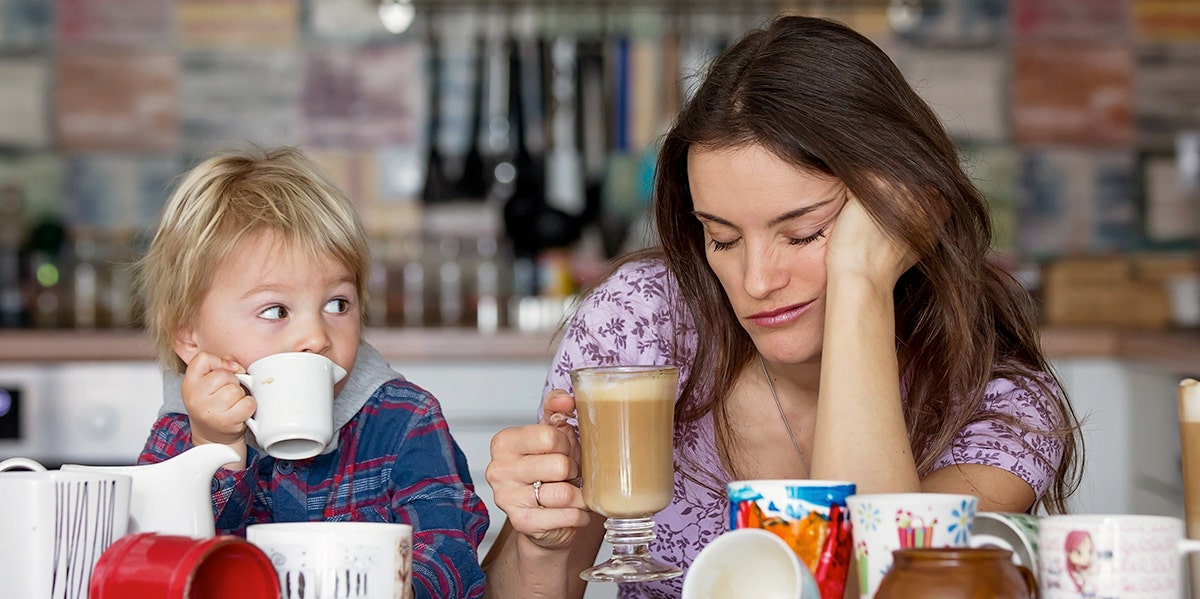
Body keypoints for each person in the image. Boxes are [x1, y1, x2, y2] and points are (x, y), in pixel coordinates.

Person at [482, 15, 1083, 599]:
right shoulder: (641, 322)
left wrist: (860, 285)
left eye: (804, 233)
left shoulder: (1000, 404)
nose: (758, 280)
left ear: (909, 213)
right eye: (722, 238)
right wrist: (545, 545)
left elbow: (879, 586)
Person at [134, 146, 488, 599]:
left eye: (337, 304)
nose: (316, 336)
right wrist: (215, 448)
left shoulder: (405, 419)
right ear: (189, 336)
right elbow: (155, 571)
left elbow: (449, 552)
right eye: (276, 309)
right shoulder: (178, 433)